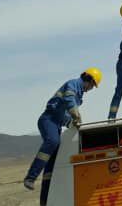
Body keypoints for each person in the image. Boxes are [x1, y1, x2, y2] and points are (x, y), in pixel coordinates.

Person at [23, 68, 102, 196]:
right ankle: (30, 178)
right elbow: (68, 99)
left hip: (57, 124)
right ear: (88, 79)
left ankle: (46, 197)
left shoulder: (79, 96)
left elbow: (64, 115)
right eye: (92, 85)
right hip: (48, 119)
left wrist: (72, 123)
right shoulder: (73, 84)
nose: (91, 89)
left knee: (54, 158)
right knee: (53, 141)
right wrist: (76, 114)